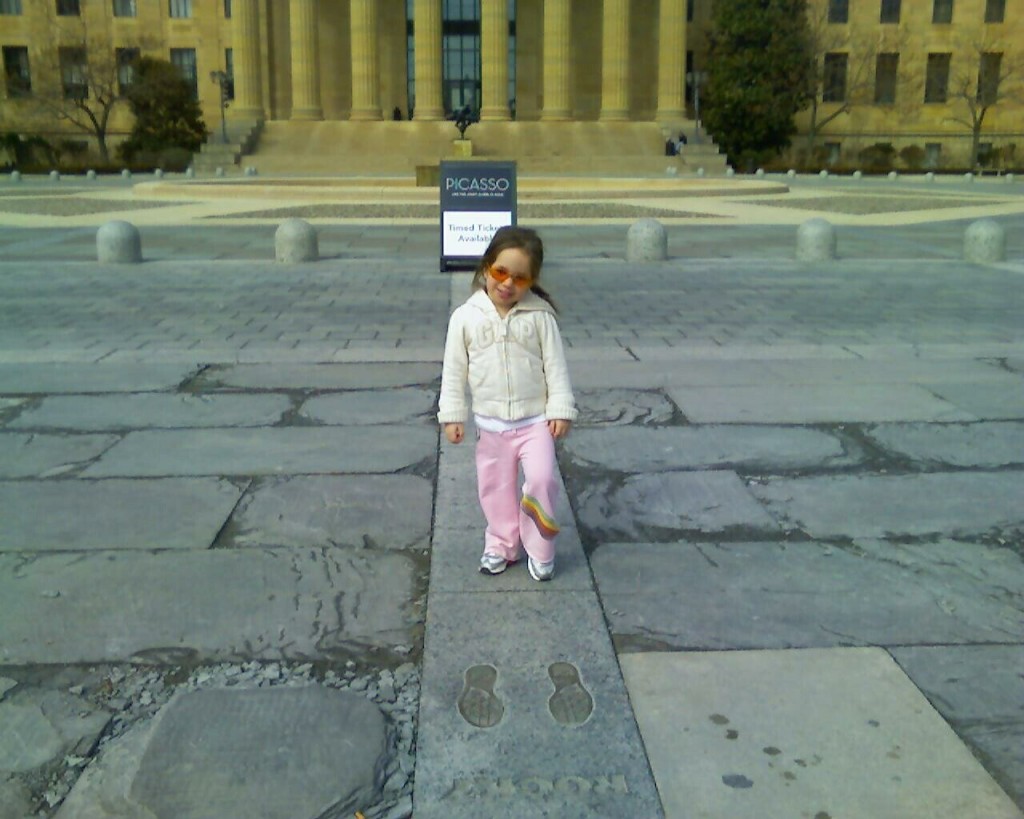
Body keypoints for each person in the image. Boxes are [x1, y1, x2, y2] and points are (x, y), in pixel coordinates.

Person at [438, 226, 577, 582]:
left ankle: (541, 547)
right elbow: (454, 372)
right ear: (486, 267)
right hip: (492, 425)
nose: (507, 284)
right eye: (500, 272)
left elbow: (556, 368)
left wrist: (560, 408)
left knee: (542, 480)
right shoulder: (465, 318)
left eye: (520, 277)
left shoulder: (541, 317)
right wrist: (453, 414)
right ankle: (501, 543)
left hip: (535, 422)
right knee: (496, 488)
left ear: (532, 280)